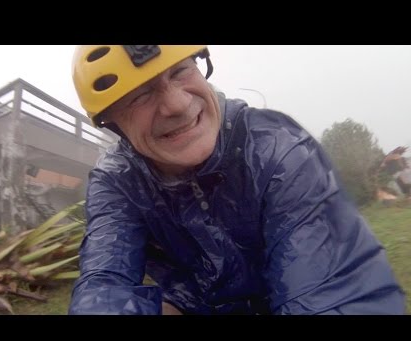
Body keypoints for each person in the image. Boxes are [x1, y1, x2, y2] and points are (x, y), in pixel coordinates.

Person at [68, 45, 405, 315]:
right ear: (112, 124)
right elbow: (106, 282)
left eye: (181, 71)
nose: (177, 104)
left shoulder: (277, 148)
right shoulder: (118, 180)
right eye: (140, 96)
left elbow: (331, 292)